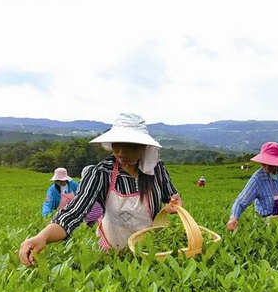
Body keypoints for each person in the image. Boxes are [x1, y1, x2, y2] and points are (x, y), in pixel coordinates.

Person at [20, 113, 182, 266]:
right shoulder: (101, 173)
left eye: (130, 146)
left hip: (151, 251)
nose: (121, 152)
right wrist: (42, 237)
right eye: (117, 144)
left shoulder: (156, 169)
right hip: (113, 253)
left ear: (143, 147)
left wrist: (173, 204)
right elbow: (73, 213)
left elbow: (172, 197)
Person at [226, 142, 278, 231]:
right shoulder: (257, 179)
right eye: (264, 163)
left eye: (271, 164)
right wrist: (233, 218)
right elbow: (241, 202)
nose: (267, 167)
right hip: (265, 227)